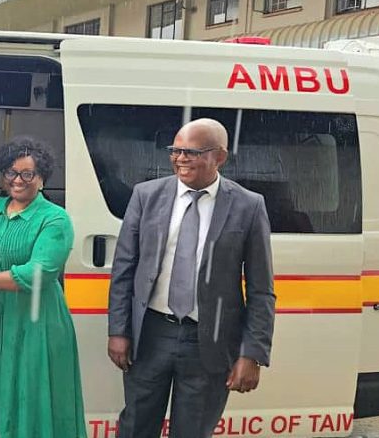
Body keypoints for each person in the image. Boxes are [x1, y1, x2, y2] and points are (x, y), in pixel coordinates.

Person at [107, 118, 276, 438]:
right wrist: (119, 330)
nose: (180, 158)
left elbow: (261, 289)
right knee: (135, 427)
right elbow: (124, 268)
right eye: (175, 150)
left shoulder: (248, 206)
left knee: (193, 431)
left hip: (210, 342)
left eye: (192, 152)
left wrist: (252, 353)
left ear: (220, 157)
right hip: (151, 335)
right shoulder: (146, 195)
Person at [0, 136, 86, 438]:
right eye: (11, 172)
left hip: (36, 321)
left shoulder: (55, 219)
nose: (17, 180)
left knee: (31, 400)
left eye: (27, 174)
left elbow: (36, 274)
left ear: (42, 178)